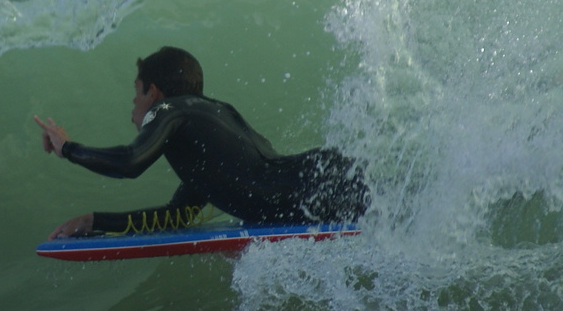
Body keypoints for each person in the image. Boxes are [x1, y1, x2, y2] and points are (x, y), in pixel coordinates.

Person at [33, 47, 370, 240]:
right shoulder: (213, 122)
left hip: (311, 193)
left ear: (153, 92)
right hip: (321, 181)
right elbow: (176, 218)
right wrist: (96, 221)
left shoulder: (167, 109)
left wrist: (68, 149)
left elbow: (129, 162)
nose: (133, 106)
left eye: (136, 93)